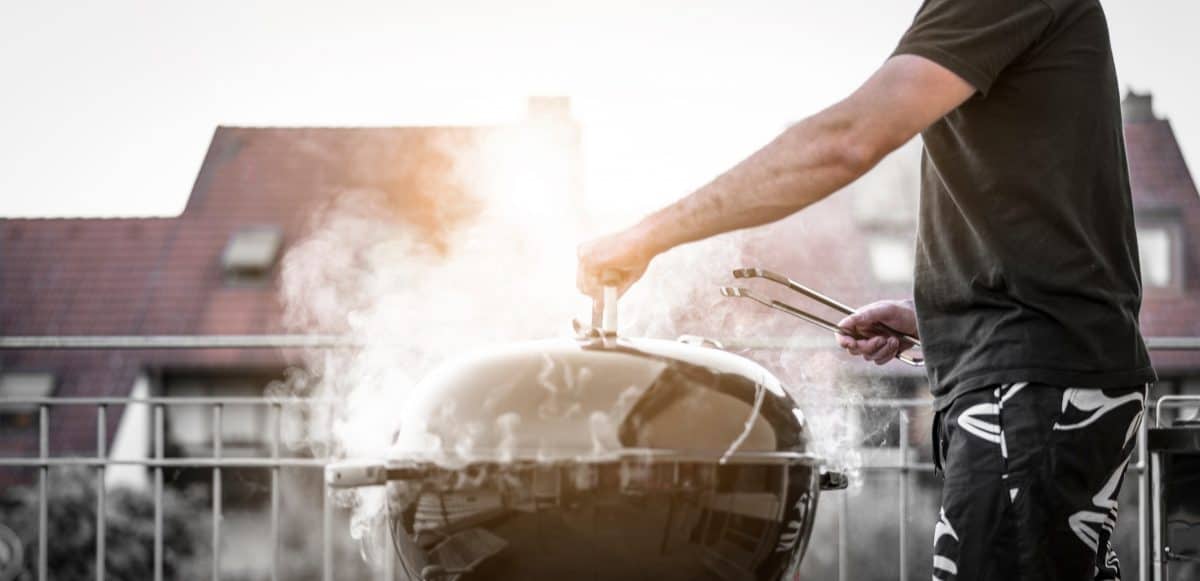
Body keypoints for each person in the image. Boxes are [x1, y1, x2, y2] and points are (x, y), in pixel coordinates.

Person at [576, 0, 1156, 579]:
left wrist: (646, 236)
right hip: (1040, 379)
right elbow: (1041, 206)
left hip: (1036, 385)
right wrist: (931, 314)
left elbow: (848, 140)